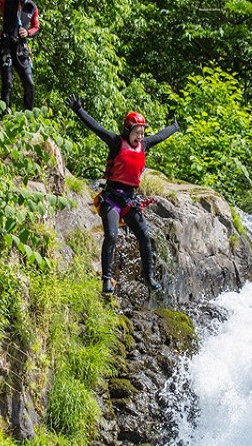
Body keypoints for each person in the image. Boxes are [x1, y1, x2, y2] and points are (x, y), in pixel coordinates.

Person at [66, 94, 182, 296]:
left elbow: (161, 136)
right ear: (128, 130)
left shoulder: (143, 146)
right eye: (137, 132)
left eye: (143, 132)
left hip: (129, 200)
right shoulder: (115, 143)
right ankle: (106, 281)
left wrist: (175, 127)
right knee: (111, 235)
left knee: (144, 236)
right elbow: (95, 127)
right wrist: (78, 110)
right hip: (111, 199)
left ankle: (149, 277)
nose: (141, 136)